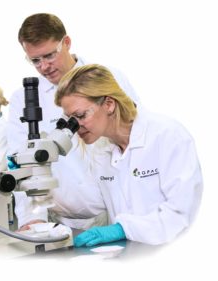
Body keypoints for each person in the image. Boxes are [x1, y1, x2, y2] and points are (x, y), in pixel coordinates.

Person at [7, 13, 140, 230]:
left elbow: (136, 140)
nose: (43, 67)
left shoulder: (109, 78)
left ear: (66, 43)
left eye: (49, 56)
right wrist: (32, 218)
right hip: (60, 219)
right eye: (35, 60)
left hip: (117, 213)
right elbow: (23, 164)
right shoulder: (23, 98)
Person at [54, 64, 203, 246]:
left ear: (109, 104)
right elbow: (90, 203)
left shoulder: (167, 135)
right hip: (130, 256)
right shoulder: (101, 150)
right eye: (70, 120)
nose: (75, 127)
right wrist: (37, 186)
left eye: (81, 115)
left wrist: (123, 228)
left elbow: (182, 213)